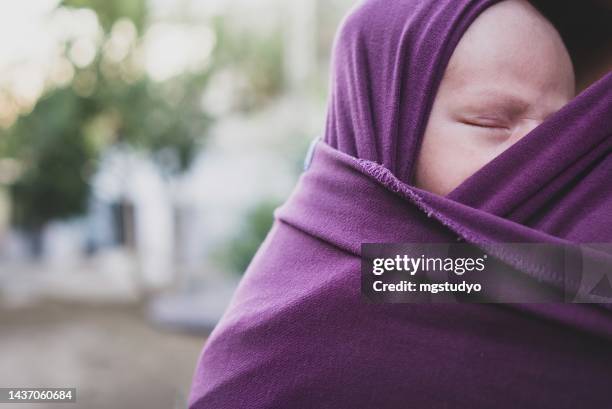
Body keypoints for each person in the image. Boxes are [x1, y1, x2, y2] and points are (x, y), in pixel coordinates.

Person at [189, 0, 612, 407]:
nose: (542, 156)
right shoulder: (350, 290)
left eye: (561, 133)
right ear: (386, 127)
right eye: (490, 121)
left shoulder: (561, 270)